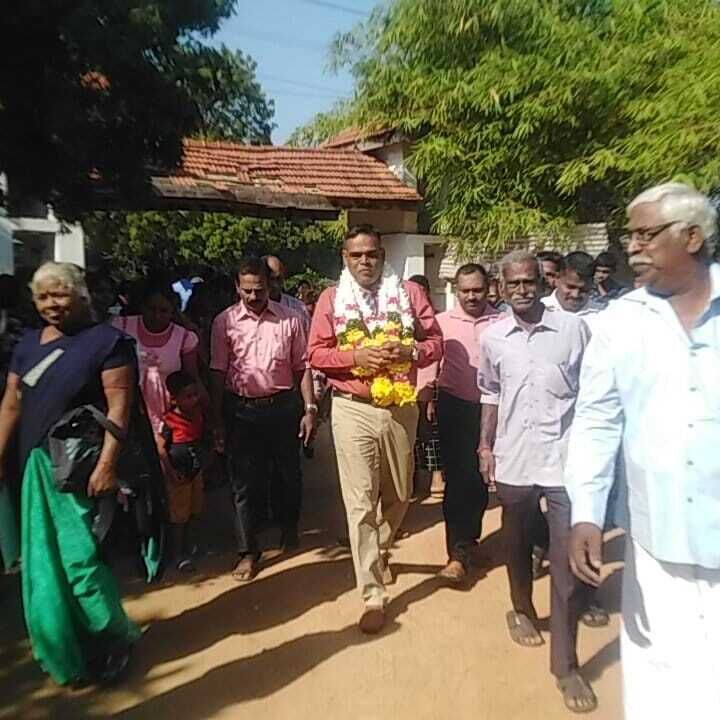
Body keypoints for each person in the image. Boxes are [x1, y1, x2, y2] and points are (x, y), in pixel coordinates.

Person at [566, 183, 720, 719]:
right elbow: (596, 420)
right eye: (630, 236)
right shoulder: (620, 322)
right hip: (659, 540)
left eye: (646, 235)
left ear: (692, 237)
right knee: (661, 682)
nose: (632, 247)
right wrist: (586, 513)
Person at [0, 262, 140, 686]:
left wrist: (108, 464)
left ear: (81, 295)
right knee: (42, 566)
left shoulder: (108, 343)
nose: (51, 304)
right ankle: (64, 650)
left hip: (79, 468)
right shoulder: (27, 344)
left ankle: (114, 636)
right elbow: (12, 403)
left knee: (81, 561)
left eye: (59, 294)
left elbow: (120, 408)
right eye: (43, 297)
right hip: (34, 468)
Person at [308, 225, 442, 634]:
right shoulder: (332, 299)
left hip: (400, 406)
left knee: (401, 493)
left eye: (371, 254)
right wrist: (356, 357)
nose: (365, 261)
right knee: (360, 503)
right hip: (352, 408)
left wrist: (411, 351)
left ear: (383, 256)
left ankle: (381, 548)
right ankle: (372, 594)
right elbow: (315, 354)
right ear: (345, 258)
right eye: (356, 255)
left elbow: (436, 342)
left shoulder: (409, 294)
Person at [477, 250, 595, 713]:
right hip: (515, 458)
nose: (523, 290)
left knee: (564, 557)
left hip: (563, 461)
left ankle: (565, 666)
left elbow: (591, 393)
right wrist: (485, 446)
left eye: (530, 281)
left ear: (543, 283)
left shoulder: (572, 329)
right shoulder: (493, 337)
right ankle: (521, 608)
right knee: (517, 539)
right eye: (514, 284)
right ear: (501, 289)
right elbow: (490, 392)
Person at [210, 257, 316, 582]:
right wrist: (217, 419)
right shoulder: (224, 322)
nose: (254, 296)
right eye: (247, 291)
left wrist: (310, 408)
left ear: (269, 286)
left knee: (289, 475)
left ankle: (289, 529)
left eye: (259, 289)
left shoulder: (291, 319)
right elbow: (218, 371)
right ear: (237, 288)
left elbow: (302, 367)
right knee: (244, 484)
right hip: (241, 411)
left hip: (283, 408)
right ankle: (248, 551)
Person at [427, 264, 500, 582]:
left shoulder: (503, 323)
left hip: (492, 410)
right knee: (457, 481)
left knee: (481, 481)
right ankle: (456, 555)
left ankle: (471, 541)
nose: (472, 296)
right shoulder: (441, 323)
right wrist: (427, 396)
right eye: (465, 290)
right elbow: (430, 364)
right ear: (456, 290)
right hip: (454, 407)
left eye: (477, 290)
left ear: (489, 289)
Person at [112, 281, 202, 436]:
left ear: (172, 312)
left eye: (163, 311)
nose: (156, 316)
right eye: (151, 309)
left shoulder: (184, 338)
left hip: (169, 418)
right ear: (142, 307)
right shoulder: (122, 327)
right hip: (129, 413)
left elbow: (192, 377)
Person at [160, 371, 207, 572]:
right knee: (179, 516)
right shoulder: (169, 421)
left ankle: (191, 546)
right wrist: (171, 473)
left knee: (195, 510)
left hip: (196, 473)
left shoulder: (198, 415)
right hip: (178, 477)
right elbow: (161, 449)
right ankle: (178, 554)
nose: (194, 399)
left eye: (195, 394)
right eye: (188, 396)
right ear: (174, 399)